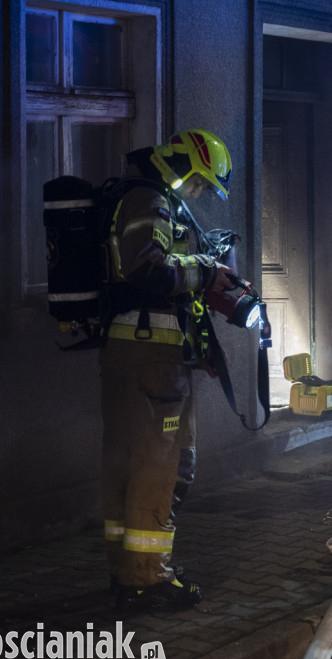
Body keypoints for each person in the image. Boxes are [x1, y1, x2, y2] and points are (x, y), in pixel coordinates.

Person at [101, 129, 236, 610]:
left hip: (134, 355)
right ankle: (147, 577)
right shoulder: (150, 200)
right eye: (199, 184)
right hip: (153, 359)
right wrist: (206, 271)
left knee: (129, 466)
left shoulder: (140, 195)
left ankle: (128, 570)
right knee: (166, 465)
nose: (197, 193)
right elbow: (147, 269)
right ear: (184, 166)